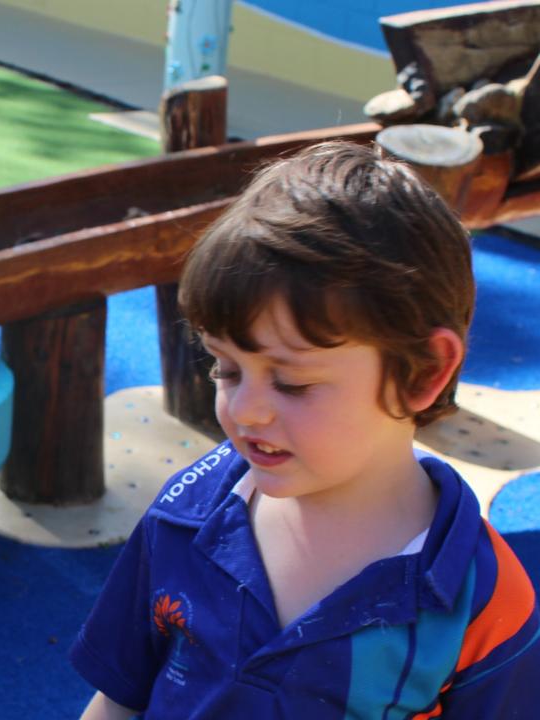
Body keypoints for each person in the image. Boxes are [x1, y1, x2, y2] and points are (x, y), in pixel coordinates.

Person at [70, 142, 539, 719]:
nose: (246, 411)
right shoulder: (186, 511)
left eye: (291, 383)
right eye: (228, 368)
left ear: (424, 372)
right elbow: (120, 694)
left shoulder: (481, 600)